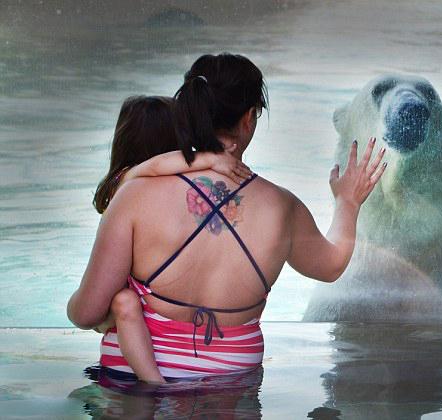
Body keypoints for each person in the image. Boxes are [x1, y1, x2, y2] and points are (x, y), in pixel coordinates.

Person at [67, 53, 387, 382]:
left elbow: (88, 312)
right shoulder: (282, 207)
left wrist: (89, 307)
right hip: (230, 393)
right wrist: (347, 203)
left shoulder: (135, 194)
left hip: (129, 390)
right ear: (249, 118)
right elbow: (331, 265)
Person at [93, 95, 254, 384]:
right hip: (130, 297)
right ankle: (155, 384)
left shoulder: (132, 184)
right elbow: (155, 167)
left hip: (127, 299)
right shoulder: (132, 179)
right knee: (124, 302)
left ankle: (154, 385)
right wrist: (209, 159)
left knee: (123, 304)